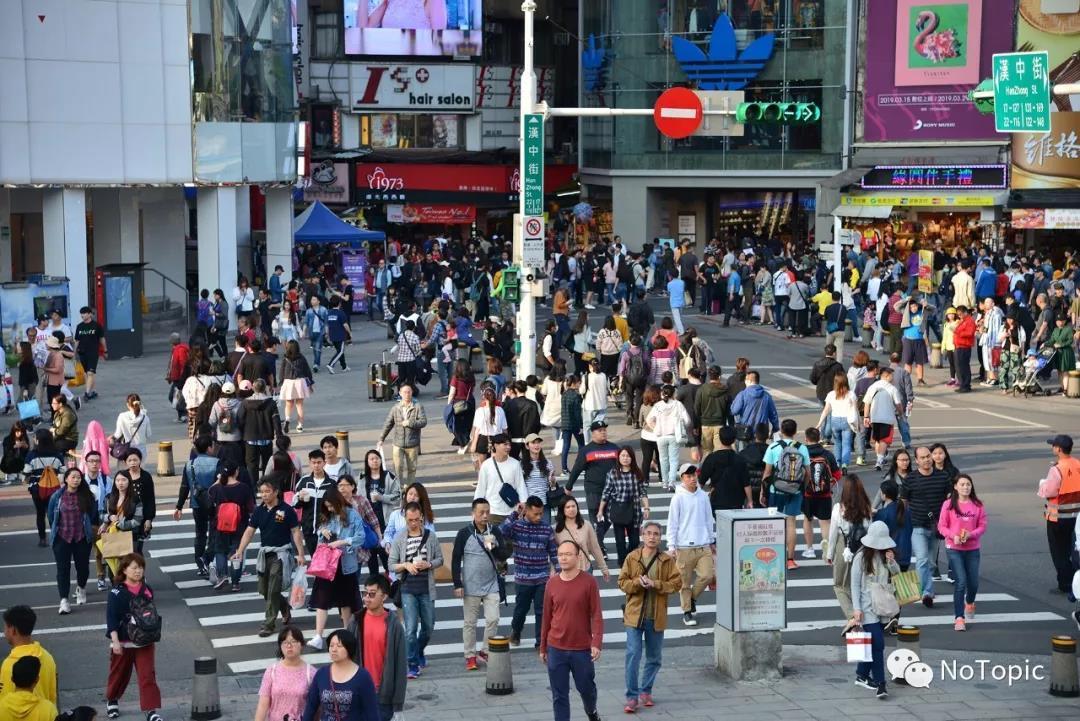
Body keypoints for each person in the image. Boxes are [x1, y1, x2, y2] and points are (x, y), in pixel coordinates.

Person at [618, 520, 682, 713]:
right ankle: (631, 696)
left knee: (654, 657)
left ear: (660, 537)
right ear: (642, 535)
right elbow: (622, 583)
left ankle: (646, 690)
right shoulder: (632, 557)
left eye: (656, 534)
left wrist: (656, 584)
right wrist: (637, 582)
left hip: (656, 614)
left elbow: (676, 584)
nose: (652, 537)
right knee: (633, 655)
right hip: (634, 615)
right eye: (649, 533)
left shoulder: (666, 560)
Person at [539, 539, 604, 721]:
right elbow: (546, 617)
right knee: (559, 695)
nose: (563, 558)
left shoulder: (589, 582)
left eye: (568, 554)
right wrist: (543, 647)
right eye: (560, 555)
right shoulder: (551, 584)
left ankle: (591, 711)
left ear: (578, 556)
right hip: (556, 647)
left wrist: (596, 642)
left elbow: (596, 615)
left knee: (586, 689)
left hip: (581, 649)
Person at [232, 480, 307, 638]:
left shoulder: (287, 510)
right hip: (265, 554)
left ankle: (269, 624)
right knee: (265, 590)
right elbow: (249, 531)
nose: (264, 495)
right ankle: (285, 608)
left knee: (273, 588)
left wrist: (300, 553)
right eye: (262, 492)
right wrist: (239, 550)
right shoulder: (260, 511)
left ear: (275, 491)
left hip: (281, 555)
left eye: (267, 491)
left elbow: (295, 532)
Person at [451, 498, 510, 670]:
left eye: (487, 512)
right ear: (473, 514)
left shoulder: (495, 530)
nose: (485, 516)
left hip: (491, 583)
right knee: (470, 622)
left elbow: (503, 555)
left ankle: (485, 650)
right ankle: (470, 655)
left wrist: (494, 547)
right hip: (471, 586)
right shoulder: (464, 533)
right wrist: (457, 584)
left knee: (493, 618)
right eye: (481, 512)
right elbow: (455, 559)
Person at [105, 553, 163, 721]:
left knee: (147, 675)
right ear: (124, 570)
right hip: (123, 641)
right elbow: (111, 618)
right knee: (119, 673)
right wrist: (115, 641)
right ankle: (112, 700)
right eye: (134, 568)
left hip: (145, 640)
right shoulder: (116, 592)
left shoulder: (147, 589)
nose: (139, 571)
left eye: (141, 567)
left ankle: (150, 710)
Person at [307, 488, 368, 649]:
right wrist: (323, 531)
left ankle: (347, 635)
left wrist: (342, 542)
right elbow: (318, 531)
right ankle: (318, 636)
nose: (330, 509)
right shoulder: (327, 516)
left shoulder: (352, 514)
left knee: (346, 601)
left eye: (331, 506)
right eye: (327, 506)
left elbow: (360, 537)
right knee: (322, 599)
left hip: (346, 564)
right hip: (328, 564)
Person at [389, 502, 443, 679]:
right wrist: (405, 565)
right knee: (410, 629)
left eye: (416, 520)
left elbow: (440, 559)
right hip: (407, 588)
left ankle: (418, 651)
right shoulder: (399, 537)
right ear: (405, 518)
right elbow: (391, 565)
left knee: (428, 626)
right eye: (409, 520)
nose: (413, 523)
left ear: (421, 518)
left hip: (427, 587)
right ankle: (411, 663)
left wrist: (428, 564)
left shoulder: (430, 536)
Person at [345, 575, 407, 721]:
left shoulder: (394, 625)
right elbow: (345, 657)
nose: (366, 598)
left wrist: (398, 705)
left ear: (384, 596)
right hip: (357, 691)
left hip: (382, 695)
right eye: (365, 593)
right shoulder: (356, 620)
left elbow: (400, 666)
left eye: (372, 594)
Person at [500, 496, 558, 648]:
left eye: (541, 514)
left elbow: (553, 552)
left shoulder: (546, 529)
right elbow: (500, 532)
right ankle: (516, 632)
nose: (539, 517)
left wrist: (558, 573)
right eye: (535, 514)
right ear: (526, 511)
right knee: (521, 610)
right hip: (523, 578)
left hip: (542, 578)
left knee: (542, 611)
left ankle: (541, 641)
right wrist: (514, 514)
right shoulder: (517, 526)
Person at [850, 521, 900, 699]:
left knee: (871, 644)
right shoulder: (860, 557)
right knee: (878, 644)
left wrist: (891, 561)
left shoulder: (885, 555)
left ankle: (861, 675)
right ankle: (881, 683)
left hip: (882, 607)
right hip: (866, 608)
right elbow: (854, 585)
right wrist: (856, 609)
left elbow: (897, 574)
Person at [904, 446, 952, 607]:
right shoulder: (910, 479)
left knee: (931, 563)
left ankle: (927, 589)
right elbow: (904, 501)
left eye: (928, 456)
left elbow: (949, 500)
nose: (926, 459)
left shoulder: (943, 477)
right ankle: (926, 592)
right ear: (916, 460)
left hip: (936, 527)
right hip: (917, 526)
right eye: (922, 457)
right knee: (922, 559)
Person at [937, 474, 986, 632]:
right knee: (961, 582)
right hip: (954, 548)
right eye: (962, 484)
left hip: (972, 548)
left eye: (968, 484)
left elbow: (982, 526)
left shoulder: (977, 505)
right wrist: (953, 536)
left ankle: (970, 602)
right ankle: (959, 618)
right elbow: (942, 526)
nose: (966, 487)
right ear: (956, 487)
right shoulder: (948, 505)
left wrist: (971, 534)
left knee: (973, 583)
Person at [667, 463, 714, 626]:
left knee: (708, 575)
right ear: (682, 478)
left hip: (703, 544)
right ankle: (687, 612)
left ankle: (692, 598)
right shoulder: (678, 497)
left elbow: (709, 519)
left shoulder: (703, 496)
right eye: (689, 476)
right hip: (684, 546)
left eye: (694, 475)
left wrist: (711, 539)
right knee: (684, 582)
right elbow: (672, 523)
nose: (693, 478)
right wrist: (671, 546)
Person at [46, 468, 98, 614]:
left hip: (82, 537)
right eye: (73, 477)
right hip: (62, 538)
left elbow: (92, 514)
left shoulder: (87, 496)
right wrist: (57, 531)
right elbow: (51, 516)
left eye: (79, 477)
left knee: (83, 568)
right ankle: (64, 600)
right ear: (66, 479)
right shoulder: (57, 496)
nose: (76, 480)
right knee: (63, 570)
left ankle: (81, 588)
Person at [761, 419, 811, 569]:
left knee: (774, 525)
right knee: (791, 523)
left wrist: (763, 491)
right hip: (795, 490)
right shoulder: (802, 448)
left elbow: (767, 472)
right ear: (795, 432)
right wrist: (802, 487)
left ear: (781, 432)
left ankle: (773, 558)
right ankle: (790, 560)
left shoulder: (773, 447)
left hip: (775, 490)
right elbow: (807, 473)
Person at [565, 420, 620, 553]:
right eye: (600, 430)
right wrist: (569, 486)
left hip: (612, 490)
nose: (603, 432)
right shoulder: (586, 450)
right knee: (597, 520)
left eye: (604, 430)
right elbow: (577, 468)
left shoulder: (614, 448)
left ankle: (595, 540)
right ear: (593, 433)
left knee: (610, 518)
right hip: (593, 490)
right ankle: (599, 547)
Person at [301, 629, 380, 721]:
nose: (334, 649)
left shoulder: (362, 677)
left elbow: (371, 712)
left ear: (349, 648)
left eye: (339, 646)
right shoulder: (322, 674)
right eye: (331, 646)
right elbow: (311, 706)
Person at [827, 473, 872, 627]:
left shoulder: (838, 508)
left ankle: (852, 617)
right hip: (862, 548)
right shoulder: (866, 507)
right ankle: (861, 614)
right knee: (858, 583)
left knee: (839, 584)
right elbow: (869, 529)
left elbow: (833, 533)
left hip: (843, 546)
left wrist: (829, 554)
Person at [1038, 434, 1080, 596]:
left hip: (1058, 518)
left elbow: (1049, 491)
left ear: (1059, 449)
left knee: (1059, 552)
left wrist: (1042, 484)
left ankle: (1065, 584)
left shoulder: (1056, 469)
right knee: (1074, 550)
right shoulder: (1077, 464)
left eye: (1053, 445)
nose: (1052, 447)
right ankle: (1075, 582)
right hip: (1076, 517)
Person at [173, 436, 218, 578]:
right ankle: (208, 559)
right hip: (214, 503)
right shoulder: (217, 463)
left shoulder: (190, 464)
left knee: (200, 533)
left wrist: (179, 506)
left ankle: (200, 563)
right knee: (214, 533)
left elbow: (184, 487)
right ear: (209, 447)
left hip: (197, 503)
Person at [597, 446, 650, 566]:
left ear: (632, 458)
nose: (625, 458)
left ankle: (628, 558)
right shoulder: (613, 473)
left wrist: (646, 507)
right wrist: (600, 510)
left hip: (634, 511)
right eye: (623, 456)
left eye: (628, 456)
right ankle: (623, 564)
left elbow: (643, 492)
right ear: (619, 457)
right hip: (618, 511)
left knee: (634, 541)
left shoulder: (637, 473)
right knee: (620, 542)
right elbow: (606, 493)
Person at [208, 462, 256, 592]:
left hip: (221, 525)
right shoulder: (244, 488)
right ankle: (235, 582)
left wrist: (218, 480)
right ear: (236, 472)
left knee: (220, 551)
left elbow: (209, 494)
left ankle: (222, 576)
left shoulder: (218, 488)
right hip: (240, 526)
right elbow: (251, 507)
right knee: (237, 552)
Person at [254, 626, 316, 721]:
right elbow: (263, 705)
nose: (289, 645)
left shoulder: (311, 673)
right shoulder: (272, 671)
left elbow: (316, 707)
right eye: (285, 642)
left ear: (301, 644)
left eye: (293, 641)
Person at [1, 606, 57, 704]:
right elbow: (53, 695)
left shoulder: (9, 665)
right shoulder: (48, 657)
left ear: (13, 630)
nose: (4, 631)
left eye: (5, 627)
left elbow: (4, 702)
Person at [801, 427, 839, 559]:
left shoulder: (803, 453)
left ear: (806, 438)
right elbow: (837, 474)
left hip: (807, 493)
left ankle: (810, 549)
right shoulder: (827, 454)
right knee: (825, 522)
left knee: (807, 519)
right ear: (819, 438)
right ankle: (827, 549)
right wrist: (828, 485)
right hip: (825, 494)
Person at [377, 384, 426, 487]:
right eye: (404, 392)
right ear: (400, 393)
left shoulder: (417, 406)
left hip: (412, 443)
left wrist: (410, 423)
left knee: (411, 469)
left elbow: (423, 422)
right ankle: (399, 488)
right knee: (398, 467)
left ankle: (409, 488)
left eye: (409, 392)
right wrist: (382, 438)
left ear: (412, 393)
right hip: (398, 444)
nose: (407, 394)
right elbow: (388, 423)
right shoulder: (396, 408)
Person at [645, 384, 691, 491]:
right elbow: (687, 420)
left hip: (660, 436)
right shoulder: (678, 404)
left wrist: (655, 428)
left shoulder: (658, 405)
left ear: (662, 394)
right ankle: (671, 482)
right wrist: (682, 426)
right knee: (674, 460)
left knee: (663, 459)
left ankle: (664, 482)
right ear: (673, 393)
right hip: (674, 435)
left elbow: (648, 419)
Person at [553, 496, 610, 581]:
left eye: (573, 506)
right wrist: (553, 570)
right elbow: (553, 553)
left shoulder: (586, 525)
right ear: (562, 510)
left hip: (585, 569)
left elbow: (595, 548)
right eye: (568, 507)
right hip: (565, 573)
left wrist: (604, 568)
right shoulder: (556, 529)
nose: (571, 509)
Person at [699, 425, 751, 511]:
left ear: (719, 438)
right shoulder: (740, 459)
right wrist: (750, 500)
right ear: (734, 440)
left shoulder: (712, 458)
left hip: (718, 499)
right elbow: (746, 483)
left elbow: (701, 481)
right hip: (736, 500)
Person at [862, 367, 902, 471]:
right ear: (887, 376)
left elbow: (867, 403)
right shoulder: (892, 388)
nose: (893, 378)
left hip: (874, 417)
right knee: (884, 440)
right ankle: (879, 461)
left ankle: (880, 458)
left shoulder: (873, 386)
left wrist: (866, 417)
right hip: (887, 418)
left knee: (878, 439)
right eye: (892, 376)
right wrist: (901, 413)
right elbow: (898, 404)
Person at [818, 374, 857, 472]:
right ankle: (844, 464)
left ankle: (837, 462)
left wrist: (819, 423)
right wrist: (858, 424)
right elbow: (855, 410)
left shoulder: (831, 394)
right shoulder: (851, 394)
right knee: (847, 444)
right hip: (847, 421)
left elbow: (826, 410)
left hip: (834, 421)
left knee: (837, 443)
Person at [730, 371, 780, 441]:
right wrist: (775, 428)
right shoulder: (767, 396)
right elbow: (773, 414)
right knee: (761, 451)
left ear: (749, 381)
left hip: (745, 432)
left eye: (746, 380)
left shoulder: (742, 395)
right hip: (761, 432)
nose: (745, 382)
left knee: (744, 451)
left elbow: (734, 411)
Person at [279, 340, 314, 433]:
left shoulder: (285, 358)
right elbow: (307, 371)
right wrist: (310, 383)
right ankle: (300, 426)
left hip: (288, 382)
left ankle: (287, 419)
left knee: (288, 404)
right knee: (299, 405)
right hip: (300, 382)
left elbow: (281, 371)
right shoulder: (301, 358)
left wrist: (281, 383)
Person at [74, 306, 106, 401]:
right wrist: (74, 352)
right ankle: (92, 392)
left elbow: (102, 338)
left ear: (89, 314)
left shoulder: (96, 325)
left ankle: (87, 393)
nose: (82, 315)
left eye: (84, 313)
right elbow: (77, 340)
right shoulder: (79, 326)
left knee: (90, 372)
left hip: (93, 352)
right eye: (81, 314)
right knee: (87, 374)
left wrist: (105, 350)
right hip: (82, 352)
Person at [111, 394, 151, 460]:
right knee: (140, 470)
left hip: (126, 451)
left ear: (127, 404)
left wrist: (112, 438)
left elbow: (117, 435)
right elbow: (149, 434)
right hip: (141, 451)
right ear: (139, 403)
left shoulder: (122, 416)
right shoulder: (145, 417)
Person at [952, 305, 977, 393]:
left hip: (964, 346)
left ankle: (965, 385)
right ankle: (963, 384)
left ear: (965, 312)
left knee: (963, 366)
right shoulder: (963, 321)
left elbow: (970, 333)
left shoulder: (969, 321)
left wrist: (957, 331)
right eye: (958, 314)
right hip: (959, 345)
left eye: (961, 314)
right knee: (959, 366)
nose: (959, 316)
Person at [324, 297, 352, 374]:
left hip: (332, 335)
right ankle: (330, 364)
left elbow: (327, 325)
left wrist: (327, 334)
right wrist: (350, 333)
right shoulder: (341, 313)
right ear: (339, 303)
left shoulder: (329, 313)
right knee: (341, 351)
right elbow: (345, 325)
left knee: (339, 351)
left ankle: (344, 366)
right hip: (341, 335)